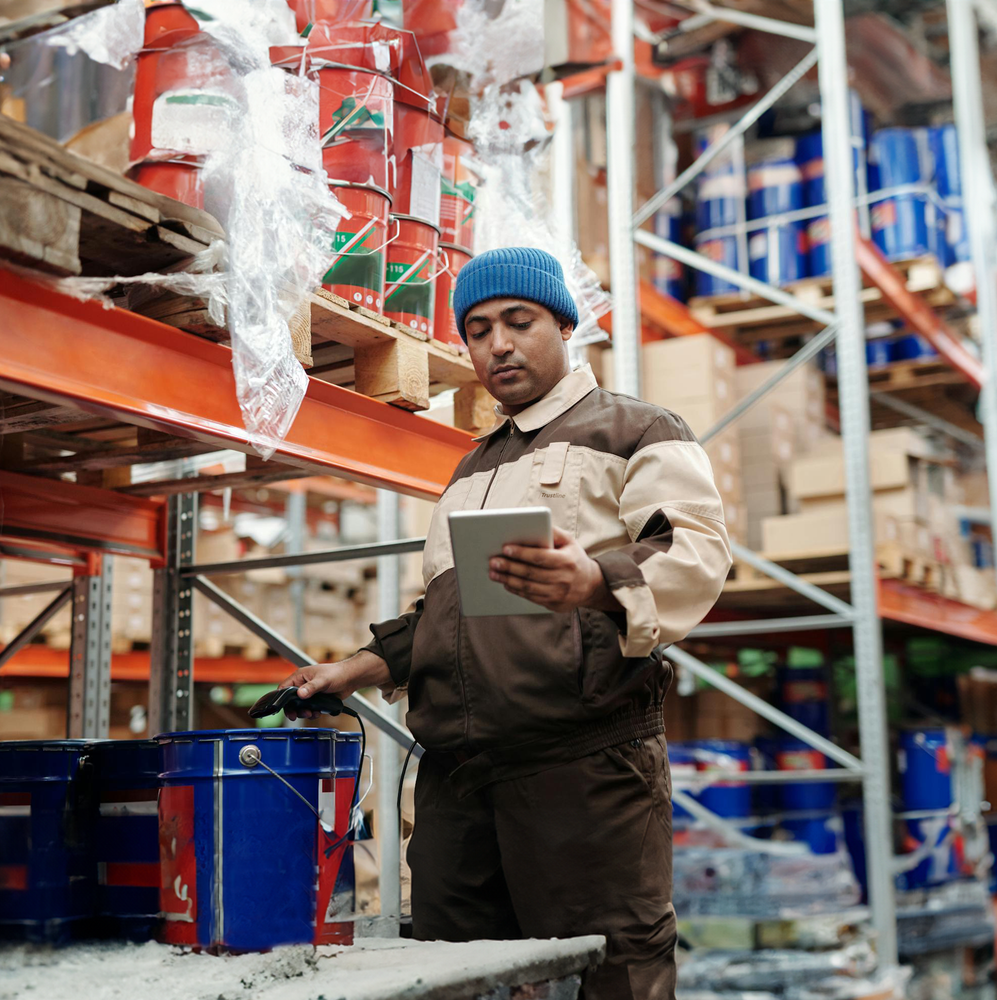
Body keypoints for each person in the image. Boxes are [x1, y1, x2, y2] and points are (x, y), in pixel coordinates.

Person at [280, 246, 731, 999]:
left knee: (613, 970)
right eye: (479, 329)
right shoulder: (472, 468)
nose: (498, 345)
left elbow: (695, 550)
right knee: (459, 976)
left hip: (582, 768)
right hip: (461, 777)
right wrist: (360, 667)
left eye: (518, 322)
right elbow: (450, 612)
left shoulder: (636, 429)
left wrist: (596, 580)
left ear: (564, 323)